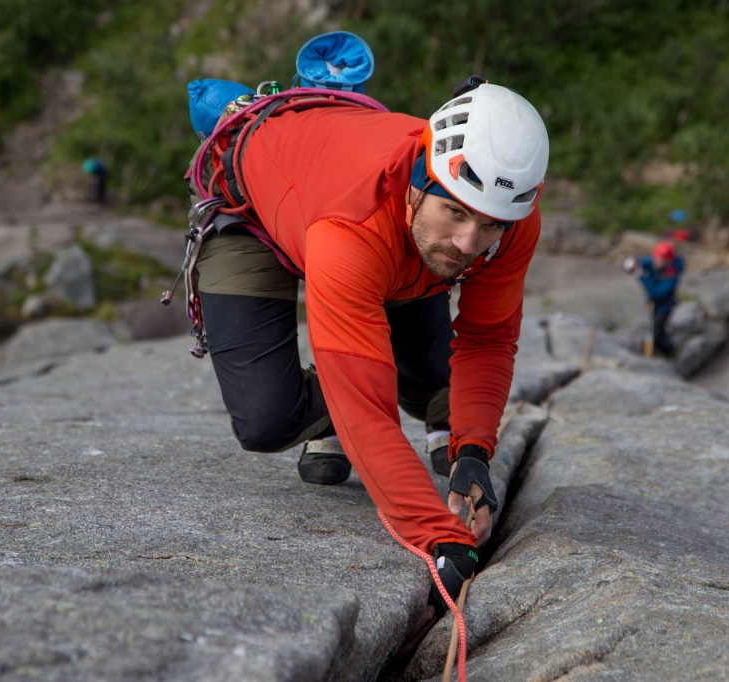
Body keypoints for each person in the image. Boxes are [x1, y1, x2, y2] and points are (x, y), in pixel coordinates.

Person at [182, 79, 549, 613]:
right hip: (250, 210)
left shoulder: (509, 211)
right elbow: (367, 405)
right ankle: (326, 419)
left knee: (433, 371)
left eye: (489, 225)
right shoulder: (349, 229)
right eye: (456, 213)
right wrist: (436, 535)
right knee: (267, 419)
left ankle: (421, 403)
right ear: (423, 181)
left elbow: (488, 336)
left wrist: (474, 454)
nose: (470, 244)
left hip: (382, 230)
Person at [624, 240, 685, 356]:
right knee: (653, 327)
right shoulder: (654, 262)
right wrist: (632, 264)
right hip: (654, 303)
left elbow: (656, 293)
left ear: (668, 261)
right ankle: (657, 348)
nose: (656, 262)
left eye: (660, 259)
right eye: (655, 258)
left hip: (664, 306)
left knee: (657, 331)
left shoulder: (672, 274)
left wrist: (642, 275)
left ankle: (669, 351)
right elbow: (639, 263)